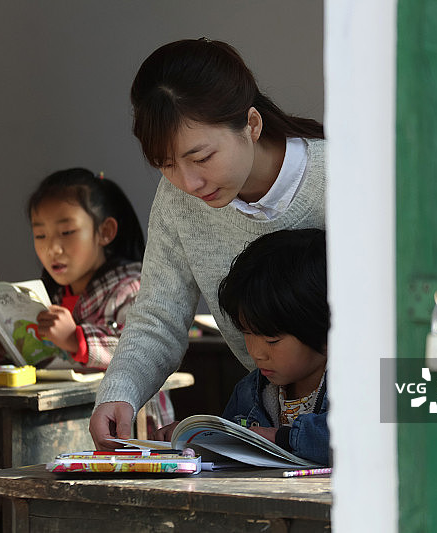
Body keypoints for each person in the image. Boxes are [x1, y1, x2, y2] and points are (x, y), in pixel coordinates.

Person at [89, 38, 326, 449]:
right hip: (270, 410)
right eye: (165, 164)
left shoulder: (342, 180)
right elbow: (159, 315)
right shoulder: (178, 199)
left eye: (201, 158)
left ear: (252, 125)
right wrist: (119, 392)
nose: (188, 183)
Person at [0, 168, 173, 430]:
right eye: (40, 235)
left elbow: (143, 348)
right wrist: (3, 343)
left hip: (133, 429)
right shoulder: (53, 295)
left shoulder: (131, 287)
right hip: (66, 422)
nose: (53, 248)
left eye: (67, 232)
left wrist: (76, 339)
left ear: (105, 232)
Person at [154, 229, 330, 465]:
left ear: (326, 333)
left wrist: (283, 438)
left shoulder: (362, 385)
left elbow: (377, 433)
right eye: (247, 333)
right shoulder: (250, 391)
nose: (256, 353)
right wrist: (196, 440)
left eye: (272, 341)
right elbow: (233, 450)